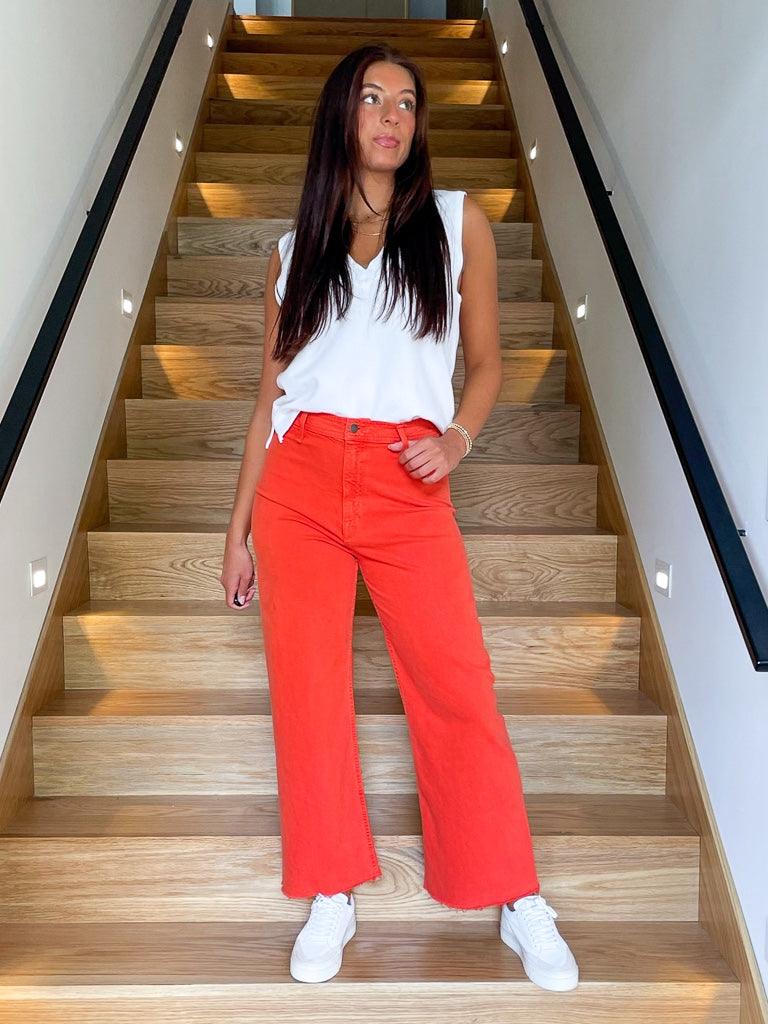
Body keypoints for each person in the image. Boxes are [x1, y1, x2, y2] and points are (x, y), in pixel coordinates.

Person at [220, 42, 579, 993]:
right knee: (308, 692)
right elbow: (269, 400)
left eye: (408, 102)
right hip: (298, 485)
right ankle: (330, 888)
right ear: (342, 115)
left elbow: (488, 363)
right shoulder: (293, 251)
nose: (392, 116)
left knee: (457, 684)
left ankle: (514, 894)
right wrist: (237, 529)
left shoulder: (459, 222)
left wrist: (456, 440)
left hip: (405, 479)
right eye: (373, 98)